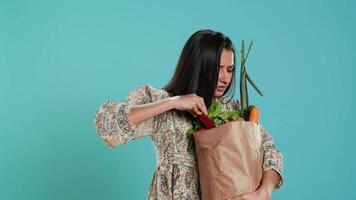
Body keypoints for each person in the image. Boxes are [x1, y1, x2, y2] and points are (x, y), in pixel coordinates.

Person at [93, 29, 284, 200]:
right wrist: (173, 102)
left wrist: (264, 191)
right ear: (198, 66)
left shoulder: (233, 111)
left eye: (230, 69)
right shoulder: (164, 106)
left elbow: (270, 151)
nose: (225, 78)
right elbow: (108, 127)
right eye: (217, 68)